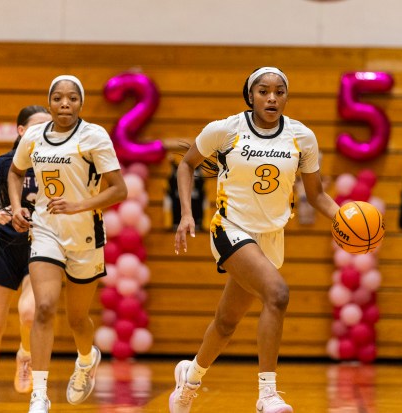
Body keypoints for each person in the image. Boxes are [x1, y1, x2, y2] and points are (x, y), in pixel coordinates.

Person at [170, 67, 339, 413]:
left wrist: (345, 220)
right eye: (263, 91)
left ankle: (189, 380)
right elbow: (186, 165)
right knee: (277, 295)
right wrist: (187, 213)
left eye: (279, 91)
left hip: (271, 237)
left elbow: (318, 195)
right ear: (250, 95)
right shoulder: (224, 130)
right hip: (230, 227)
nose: (272, 97)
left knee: (226, 322)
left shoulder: (301, 137)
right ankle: (267, 394)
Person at [7, 75, 127, 413]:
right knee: (44, 307)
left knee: (78, 319)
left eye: (71, 98)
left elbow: (119, 189)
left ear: (80, 103)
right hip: (46, 229)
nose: (64, 104)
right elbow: (15, 172)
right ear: (49, 103)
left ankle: (86, 360)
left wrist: (79, 204)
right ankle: (40, 396)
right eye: (58, 98)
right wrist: (18, 207)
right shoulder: (33, 136)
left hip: (86, 232)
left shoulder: (94, 136)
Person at [0, 105, 51, 411]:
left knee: (29, 313)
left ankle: (25, 354)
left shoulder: (58, 164)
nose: (45, 133)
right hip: (7, 250)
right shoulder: (4, 165)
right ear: (21, 130)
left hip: (41, 251)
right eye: (38, 127)